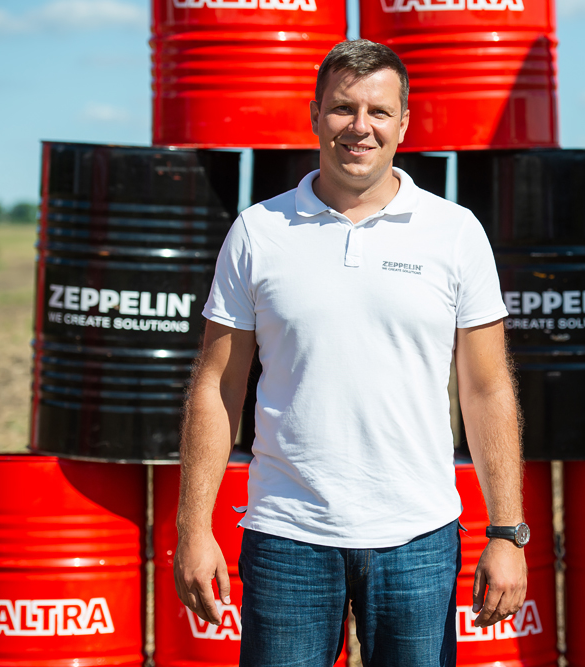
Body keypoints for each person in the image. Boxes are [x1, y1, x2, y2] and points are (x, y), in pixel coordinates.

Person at [173, 39, 527, 667]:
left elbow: (487, 388)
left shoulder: (455, 232)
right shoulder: (258, 231)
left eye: (379, 111)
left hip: (418, 536)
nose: (360, 127)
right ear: (315, 115)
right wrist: (194, 528)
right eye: (343, 108)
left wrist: (506, 532)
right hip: (286, 534)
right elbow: (218, 386)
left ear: (403, 123)